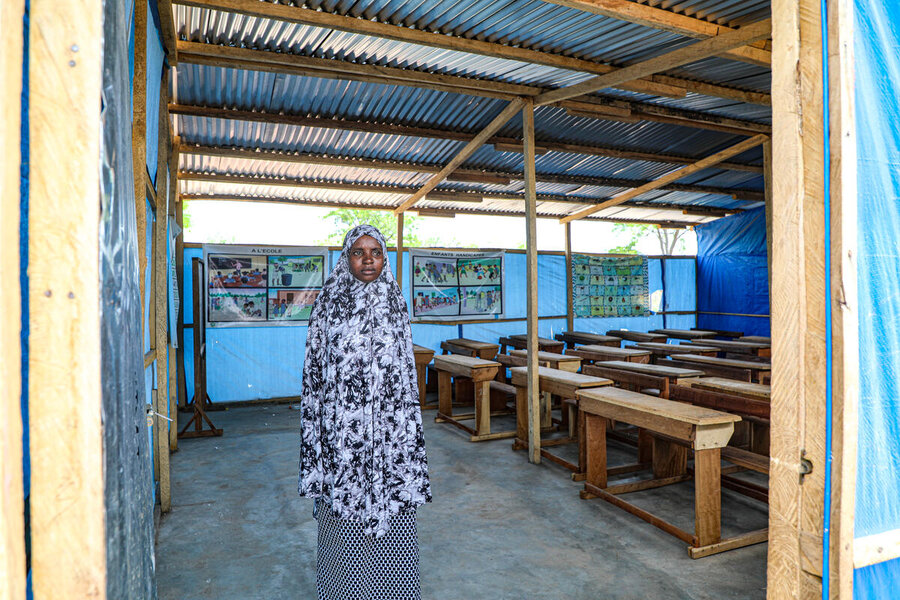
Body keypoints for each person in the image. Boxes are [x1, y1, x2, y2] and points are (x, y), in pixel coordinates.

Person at [298, 225, 431, 600]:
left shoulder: (394, 300)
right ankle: (343, 591)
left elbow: (405, 372)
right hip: (344, 435)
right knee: (343, 519)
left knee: (396, 520)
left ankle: (397, 592)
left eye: (375, 251)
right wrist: (320, 434)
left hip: (390, 434)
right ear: (346, 257)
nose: (368, 259)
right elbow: (314, 373)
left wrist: (406, 431)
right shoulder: (329, 302)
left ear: (384, 257)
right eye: (359, 252)